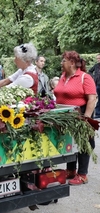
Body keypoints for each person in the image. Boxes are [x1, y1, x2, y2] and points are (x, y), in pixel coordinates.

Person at [54, 51, 96, 185]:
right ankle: (71, 170)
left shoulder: (85, 77)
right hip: (65, 115)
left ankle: (83, 174)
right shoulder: (63, 76)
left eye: (64, 61)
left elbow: (92, 99)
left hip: (81, 114)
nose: (61, 63)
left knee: (84, 142)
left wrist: (86, 118)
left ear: (72, 63)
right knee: (70, 142)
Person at [88, 54, 100, 118]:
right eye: (97, 58)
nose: (98, 60)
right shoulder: (96, 66)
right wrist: (93, 77)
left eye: (99, 58)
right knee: (99, 99)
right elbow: (90, 71)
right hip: (98, 84)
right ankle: (98, 114)